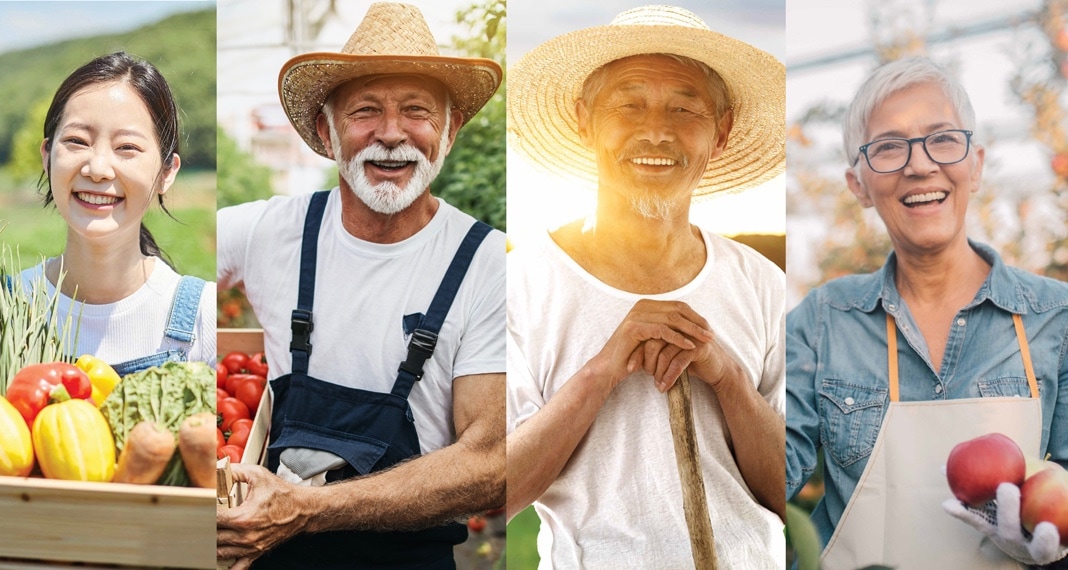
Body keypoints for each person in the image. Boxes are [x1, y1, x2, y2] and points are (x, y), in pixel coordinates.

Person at [214, 3, 506, 568]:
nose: (391, 134)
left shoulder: (487, 263)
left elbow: (491, 462)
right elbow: (159, 264)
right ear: (327, 132)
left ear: (449, 132)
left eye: (417, 111)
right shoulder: (268, 231)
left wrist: (307, 509)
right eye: (365, 111)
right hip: (266, 548)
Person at [505, 5, 786, 568]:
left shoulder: (763, 284)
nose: (656, 130)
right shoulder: (521, 285)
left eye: (684, 108)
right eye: (628, 105)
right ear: (585, 121)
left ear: (721, 132)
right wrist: (602, 371)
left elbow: (790, 492)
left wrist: (727, 377)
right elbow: (496, 497)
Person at [786, 56, 1068, 569]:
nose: (919, 165)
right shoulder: (821, 323)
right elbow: (766, 477)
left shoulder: (1057, 319)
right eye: (889, 147)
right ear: (858, 185)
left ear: (975, 165)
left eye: (942, 139)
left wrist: (1058, 541)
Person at [18, 51, 216, 374]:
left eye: (127, 147)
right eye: (77, 140)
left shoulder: (204, 318)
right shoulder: (1, 307)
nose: (97, 169)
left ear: (167, 172)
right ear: (47, 156)